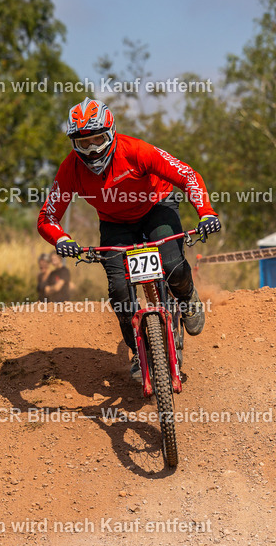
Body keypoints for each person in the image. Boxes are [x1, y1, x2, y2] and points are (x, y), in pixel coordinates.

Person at [37, 97, 222, 382]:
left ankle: (187, 297)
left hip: (156, 208)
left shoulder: (136, 151)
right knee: (120, 294)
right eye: (82, 142)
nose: (91, 149)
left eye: (97, 139)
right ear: (73, 143)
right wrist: (61, 239)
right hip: (115, 225)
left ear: (111, 133)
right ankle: (139, 352)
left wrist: (206, 213)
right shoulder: (70, 169)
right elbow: (47, 218)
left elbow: (187, 175)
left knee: (172, 265)